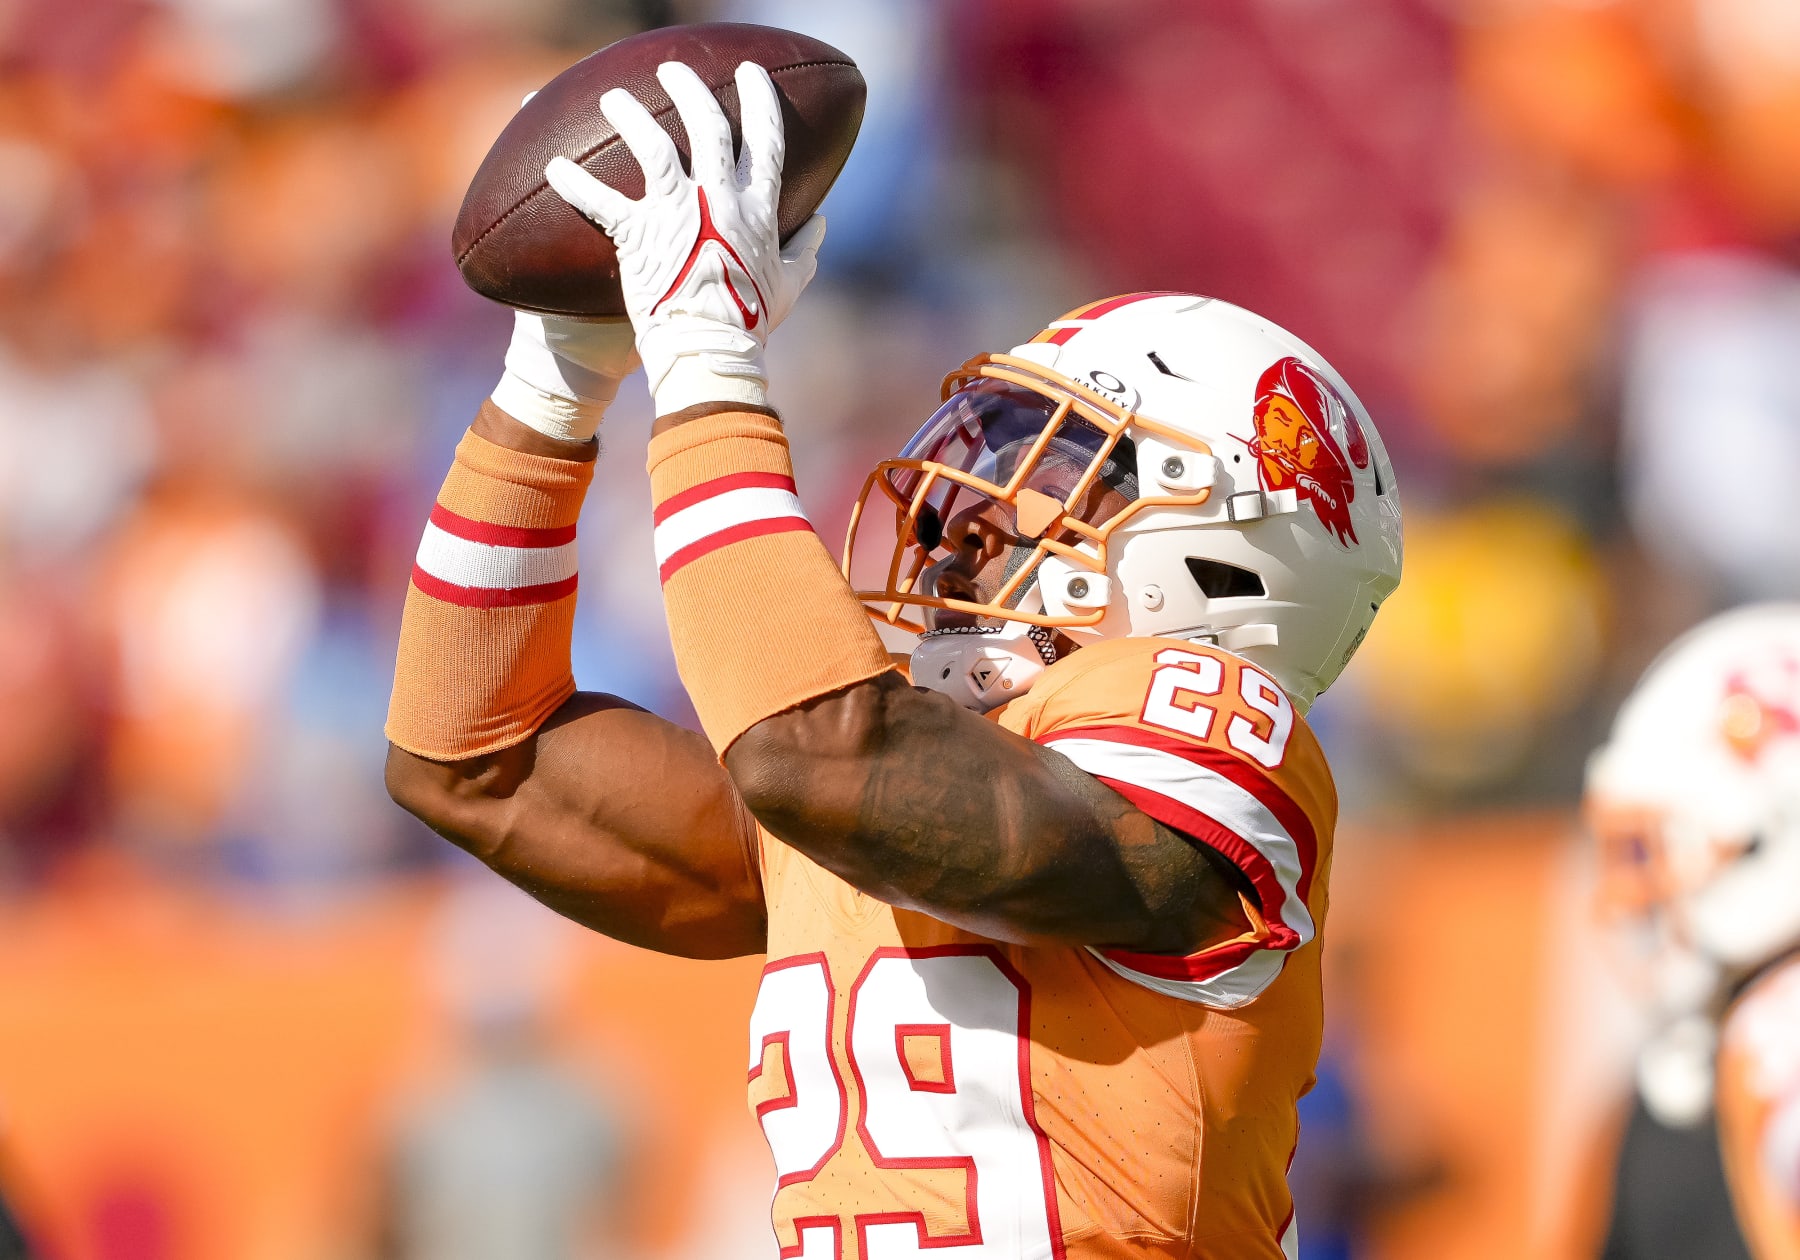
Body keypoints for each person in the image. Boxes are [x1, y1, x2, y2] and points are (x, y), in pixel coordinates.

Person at [384, 59, 1402, 1257]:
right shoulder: (907, 779)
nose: (958, 510)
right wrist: (557, 378)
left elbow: (820, 758)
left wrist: (706, 363)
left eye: (1052, 458)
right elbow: (475, 759)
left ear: (1220, 546)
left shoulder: (1218, 737)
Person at [1587, 605, 1800, 1260]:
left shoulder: (1772, 1048)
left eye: (1645, 853)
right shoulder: (1664, 1118)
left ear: (1771, 830)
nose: (1625, 898)